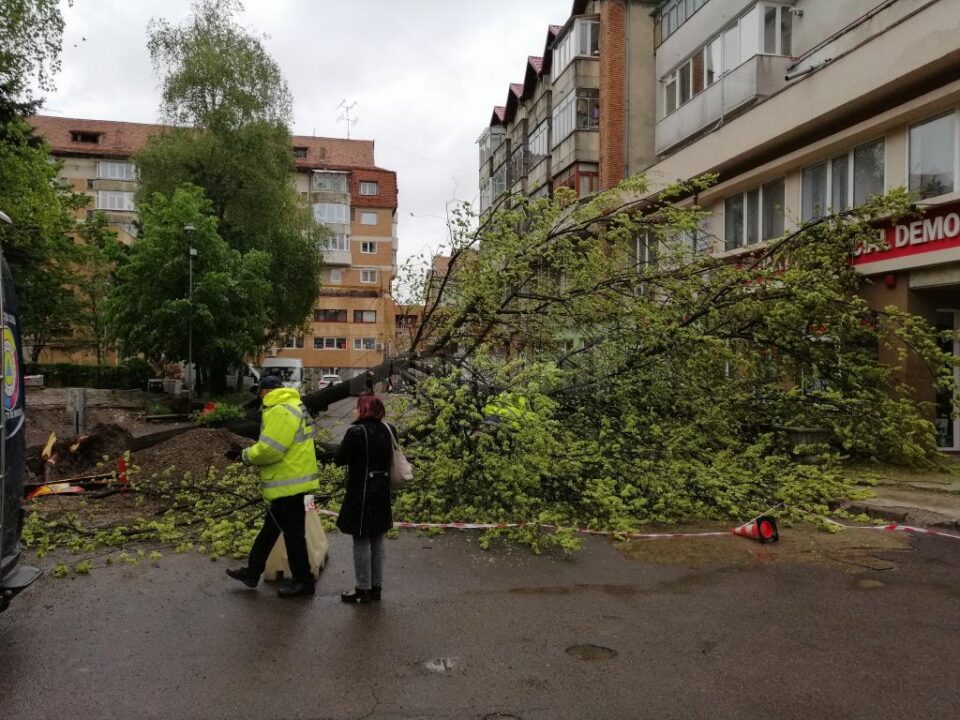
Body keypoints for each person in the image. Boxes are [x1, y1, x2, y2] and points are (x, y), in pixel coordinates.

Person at [226, 375, 320, 598]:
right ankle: (251, 572)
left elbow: (271, 449)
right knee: (271, 529)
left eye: (259, 393)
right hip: (295, 478)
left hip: (287, 482)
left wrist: (244, 456)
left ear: (264, 391)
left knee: (293, 535)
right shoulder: (296, 404)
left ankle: (303, 581)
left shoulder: (279, 409)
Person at [335, 394, 394, 604]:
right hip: (383, 491)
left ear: (364, 410)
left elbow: (340, 458)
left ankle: (363, 588)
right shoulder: (389, 430)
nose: (354, 411)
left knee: (360, 539)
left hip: (362, 491)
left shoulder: (356, 432)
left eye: (357, 407)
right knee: (377, 538)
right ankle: (376, 586)